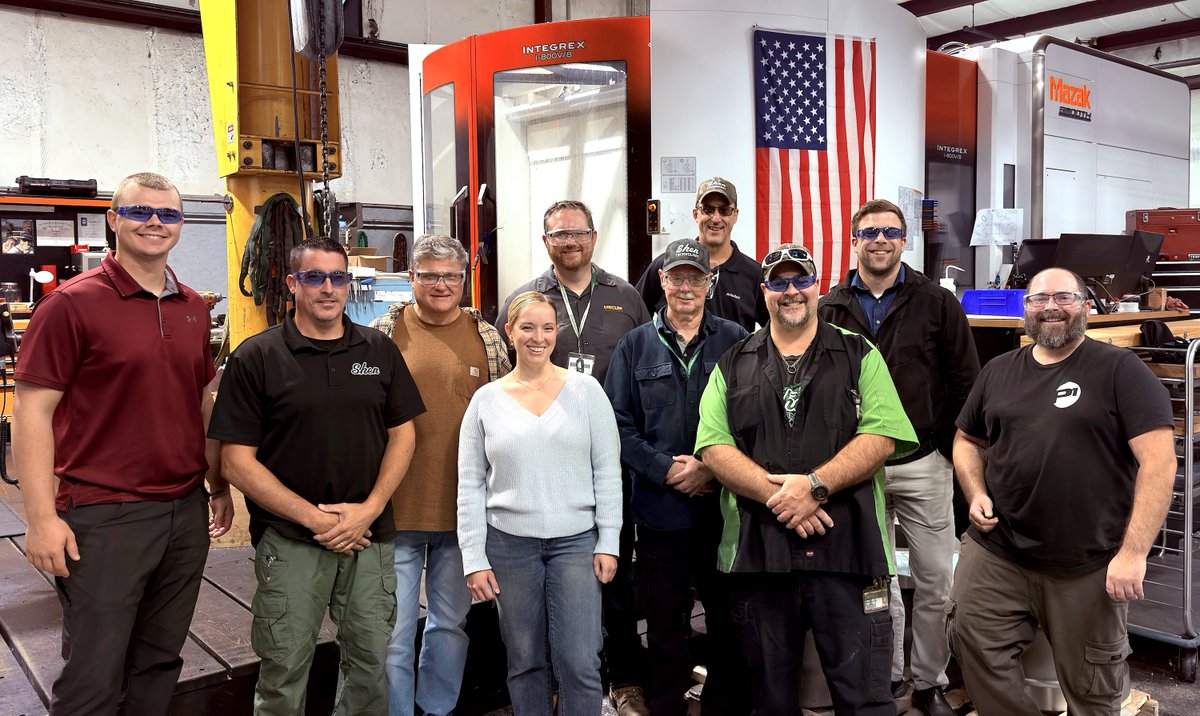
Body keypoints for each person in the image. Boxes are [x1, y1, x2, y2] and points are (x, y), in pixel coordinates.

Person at [14, 171, 233, 715]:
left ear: (181, 225)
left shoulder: (192, 306)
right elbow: (32, 413)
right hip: (104, 514)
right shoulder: (71, 305)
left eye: (169, 214)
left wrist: (217, 483)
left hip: (184, 512)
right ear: (114, 219)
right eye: (139, 211)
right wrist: (40, 519)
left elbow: (201, 401)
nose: (155, 223)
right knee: (94, 674)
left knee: (159, 663)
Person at [695, 243, 918, 715]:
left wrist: (814, 486)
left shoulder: (859, 353)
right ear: (764, 291)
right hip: (759, 553)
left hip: (849, 551)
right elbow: (713, 447)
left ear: (818, 287)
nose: (791, 290)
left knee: (864, 698)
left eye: (801, 280)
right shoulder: (733, 361)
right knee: (769, 700)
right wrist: (784, 497)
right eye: (778, 281)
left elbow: (882, 435)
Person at [209, 237, 425, 716]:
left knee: (370, 664)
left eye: (338, 277)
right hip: (291, 540)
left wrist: (369, 509)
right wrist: (317, 520)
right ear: (292, 284)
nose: (328, 288)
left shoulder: (378, 349)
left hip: (368, 536)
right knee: (284, 668)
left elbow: (403, 436)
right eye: (314, 277)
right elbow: (235, 461)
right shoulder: (257, 356)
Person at [949, 267, 1175, 716]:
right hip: (999, 549)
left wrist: (1133, 553)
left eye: (1063, 297)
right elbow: (967, 440)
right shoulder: (998, 371)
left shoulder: (1119, 370)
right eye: (1039, 299)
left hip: (1087, 561)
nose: (1050, 307)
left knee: (1093, 686)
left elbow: (1160, 462)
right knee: (971, 640)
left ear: (1086, 307)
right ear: (1025, 309)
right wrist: (975, 492)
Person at [818, 198, 978, 716]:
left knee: (936, 578)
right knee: (875, 580)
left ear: (905, 240)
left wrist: (947, 451)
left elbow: (966, 384)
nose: (880, 241)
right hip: (857, 468)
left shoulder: (937, 303)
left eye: (890, 232)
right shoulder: (830, 307)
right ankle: (884, 679)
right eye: (869, 233)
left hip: (923, 462)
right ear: (854, 242)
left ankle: (928, 682)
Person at [495, 199, 651, 714]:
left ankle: (624, 680)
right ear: (546, 242)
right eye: (559, 234)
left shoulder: (626, 297)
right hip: (547, 466)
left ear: (593, 237)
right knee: (547, 588)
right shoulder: (525, 301)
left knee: (615, 571)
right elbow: (506, 379)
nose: (569, 242)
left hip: (611, 460)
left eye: (578, 233)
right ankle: (555, 686)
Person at [458, 290, 622, 716]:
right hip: (509, 545)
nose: (539, 337)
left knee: (580, 661)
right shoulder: (486, 400)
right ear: (509, 331)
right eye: (528, 327)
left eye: (548, 328)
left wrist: (609, 541)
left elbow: (607, 471)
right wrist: (473, 558)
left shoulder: (586, 392)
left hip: (576, 543)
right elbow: (470, 484)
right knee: (525, 661)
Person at [604, 238, 749, 716]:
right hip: (659, 512)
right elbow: (617, 424)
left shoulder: (736, 340)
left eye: (696, 277)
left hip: (723, 510)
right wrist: (664, 468)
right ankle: (667, 704)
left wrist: (712, 467)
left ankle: (724, 706)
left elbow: (752, 418)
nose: (686, 287)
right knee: (665, 621)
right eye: (677, 277)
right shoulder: (635, 345)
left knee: (726, 617)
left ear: (711, 283)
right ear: (662, 281)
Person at [369, 234, 511, 716]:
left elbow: (507, 420)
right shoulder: (381, 335)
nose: (441, 285)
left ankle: (436, 709)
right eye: (429, 275)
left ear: (464, 279)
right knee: (392, 633)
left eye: (451, 276)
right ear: (411, 278)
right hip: (395, 511)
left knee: (450, 625)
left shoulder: (487, 339)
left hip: (462, 516)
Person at [635, 177, 768, 333]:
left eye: (724, 210)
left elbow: (775, 331)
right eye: (708, 210)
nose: (716, 218)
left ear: (735, 215)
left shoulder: (755, 274)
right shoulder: (667, 265)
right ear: (695, 214)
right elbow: (634, 314)